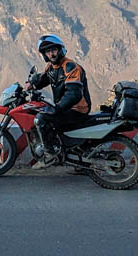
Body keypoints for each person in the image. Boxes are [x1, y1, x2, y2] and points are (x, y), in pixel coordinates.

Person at [29, 34, 92, 165]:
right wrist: (32, 84)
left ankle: (50, 154)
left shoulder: (70, 67)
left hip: (77, 109)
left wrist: (58, 108)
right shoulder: (51, 67)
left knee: (41, 118)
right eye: (48, 51)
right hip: (65, 107)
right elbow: (44, 80)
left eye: (53, 50)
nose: (51, 54)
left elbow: (74, 94)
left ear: (60, 50)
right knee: (45, 112)